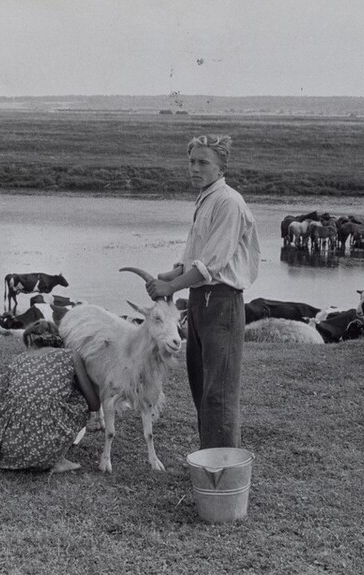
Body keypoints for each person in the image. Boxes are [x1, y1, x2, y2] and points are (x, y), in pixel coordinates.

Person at [145, 134, 260, 449]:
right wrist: (176, 272)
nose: (194, 169)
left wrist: (170, 286)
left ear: (221, 166)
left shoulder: (228, 202)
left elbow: (213, 263)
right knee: (201, 383)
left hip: (221, 302)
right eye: (191, 162)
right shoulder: (208, 198)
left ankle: (222, 468)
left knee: (218, 391)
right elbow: (200, 256)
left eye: (203, 162)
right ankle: (212, 456)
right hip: (200, 300)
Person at [0, 324, 101, 472]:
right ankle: (58, 460)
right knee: (77, 398)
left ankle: (22, 447)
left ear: (30, 340)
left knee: (15, 399)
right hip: (46, 452)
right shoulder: (70, 355)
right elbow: (94, 405)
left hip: (8, 453)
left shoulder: (19, 359)